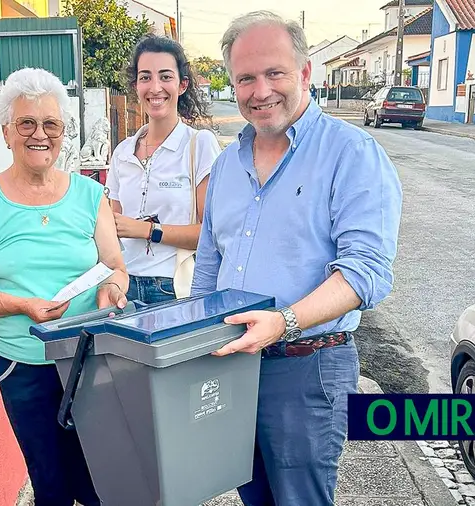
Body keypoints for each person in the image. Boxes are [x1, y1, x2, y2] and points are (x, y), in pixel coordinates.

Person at [191, 11, 403, 506]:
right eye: (245, 78)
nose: (260, 90)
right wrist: (194, 340)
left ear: (306, 73)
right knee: (253, 494)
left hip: (308, 368)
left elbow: (365, 271)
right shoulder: (227, 164)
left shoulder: (352, 153)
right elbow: (208, 263)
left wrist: (284, 321)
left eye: (274, 73)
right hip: (233, 366)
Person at [0, 67, 129, 506]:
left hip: (92, 360)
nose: (39, 134)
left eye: (51, 124)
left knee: (106, 479)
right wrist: (21, 304)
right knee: (50, 481)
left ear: (63, 132)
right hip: (24, 365)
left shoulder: (90, 195)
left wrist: (112, 290)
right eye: (26, 123)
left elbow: (116, 266)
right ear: (6, 132)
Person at [106, 35, 222, 304]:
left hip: (174, 289)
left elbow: (210, 234)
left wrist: (147, 230)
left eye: (165, 76)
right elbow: (113, 227)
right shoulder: (122, 152)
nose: (155, 87)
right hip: (124, 288)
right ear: (135, 86)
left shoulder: (199, 145)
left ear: (182, 85)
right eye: (145, 77)